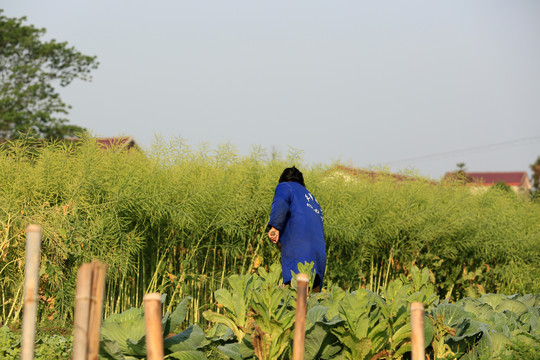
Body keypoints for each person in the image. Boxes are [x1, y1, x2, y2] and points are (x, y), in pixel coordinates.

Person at [267, 166, 326, 292]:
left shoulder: (285, 187)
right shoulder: (313, 199)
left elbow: (280, 203)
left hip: (299, 253)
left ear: (282, 180)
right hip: (319, 257)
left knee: (295, 300)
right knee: (312, 303)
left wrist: (275, 227)